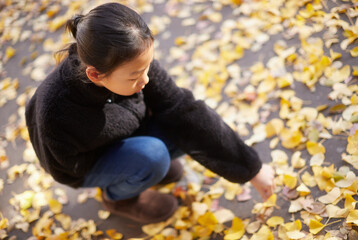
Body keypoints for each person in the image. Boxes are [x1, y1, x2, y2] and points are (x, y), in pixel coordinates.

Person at [25, 2, 275, 224]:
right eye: (135, 75)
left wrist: (251, 169)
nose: (145, 79)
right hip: (84, 164)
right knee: (153, 157)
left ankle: (146, 166)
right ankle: (118, 199)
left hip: (129, 131)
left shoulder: (130, 58)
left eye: (148, 67)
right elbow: (67, 167)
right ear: (95, 74)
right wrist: (130, 162)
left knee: (182, 124)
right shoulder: (57, 110)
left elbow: (181, 107)